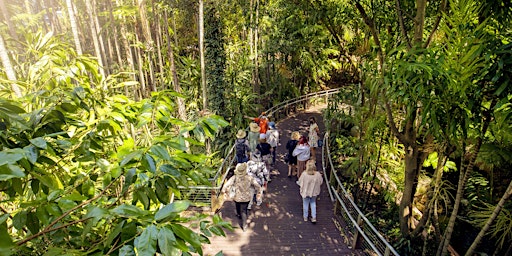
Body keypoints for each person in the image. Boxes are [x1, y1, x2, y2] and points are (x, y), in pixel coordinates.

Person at [222, 163, 261, 231]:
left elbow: (226, 185)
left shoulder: (235, 177)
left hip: (237, 196)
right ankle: (244, 225)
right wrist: (258, 192)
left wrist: (224, 192)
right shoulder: (249, 178)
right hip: (246, 197)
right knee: (244, 211)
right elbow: (257, 185)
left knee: (237, 205)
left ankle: (238, 214)